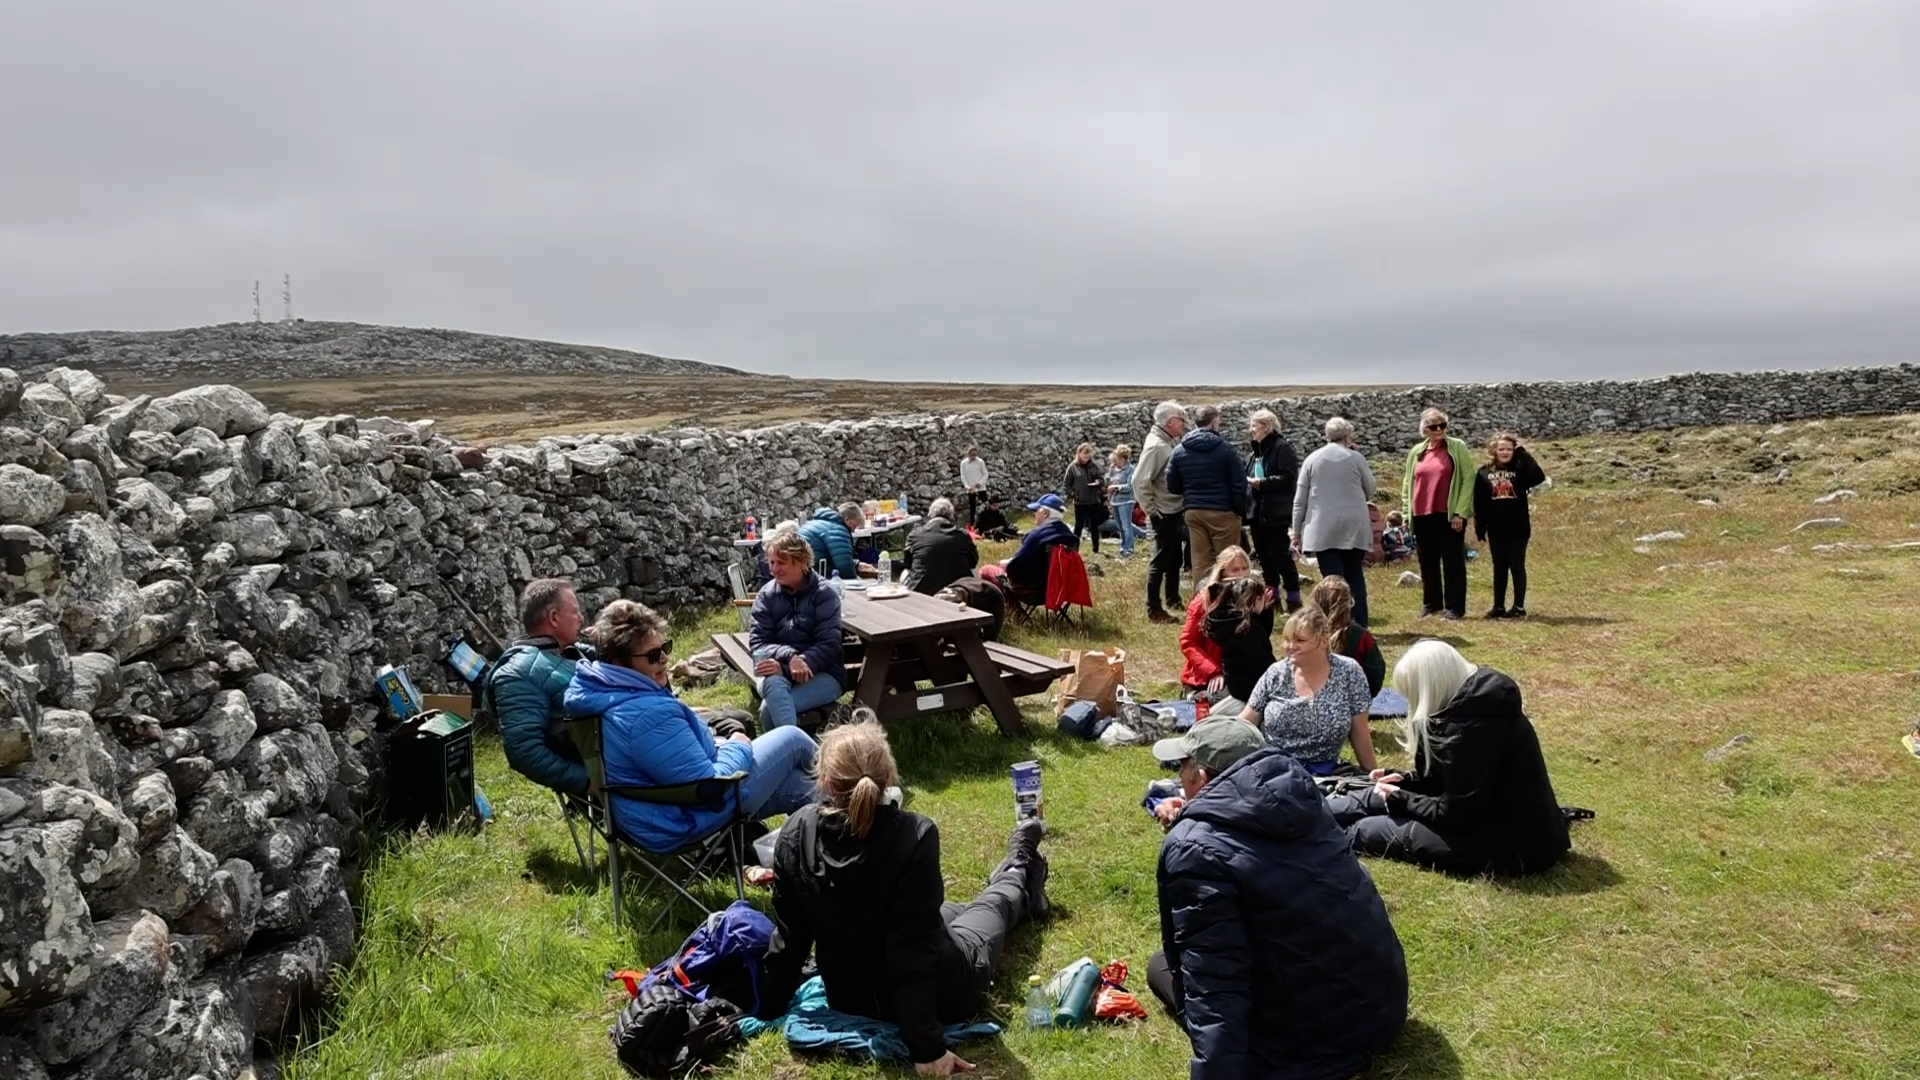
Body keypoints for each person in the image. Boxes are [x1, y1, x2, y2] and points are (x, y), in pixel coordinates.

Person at [758, 722, 1049, 1077]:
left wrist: (768, 1005)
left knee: (948, 912)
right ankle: (1018, 869)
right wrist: (927, 1048)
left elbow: (791, 937)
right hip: (943, 992)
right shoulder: (914, 834)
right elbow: (910, 954)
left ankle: (1013, 878)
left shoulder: (796, 832)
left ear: (828, 784)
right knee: (992, 907)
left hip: (851, 999)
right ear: (888, 777)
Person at [1148, 719, 1409, 1080]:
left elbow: (1216, 981)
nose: (1179, 777)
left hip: (1310, 1050)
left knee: (1161, 968)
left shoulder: (1195, 848)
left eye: (1183, 767)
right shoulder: (1302, 797)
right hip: (1381, 1010)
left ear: (1203, 778)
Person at [563, 600, 819, 851]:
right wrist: (738, 744)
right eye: (653, 655)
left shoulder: (604, 690)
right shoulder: (646, 715)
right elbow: (708, 786)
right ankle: (848, 809)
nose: (664, 659)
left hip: (651, 813)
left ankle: (836, 850)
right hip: (680, 820)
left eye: (665, 647)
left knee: (803, 786)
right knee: (792, 739)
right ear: (619, 662)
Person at [1327, 640, 1570, 875]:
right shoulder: (1475, 704)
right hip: (1500, 822)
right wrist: (1407, 782)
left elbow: (1458, 813)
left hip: (1510, 844)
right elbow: (1455, 784)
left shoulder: (1470, 728)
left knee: (1365, 830)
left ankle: (1312, 837)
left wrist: (1404, 799)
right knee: (1373, 796)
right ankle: (1309, 815)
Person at [1238, 608, 1378, 775]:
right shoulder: (1276, 673)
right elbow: (1245, 724)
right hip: (1274, 770)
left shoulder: (1349, 672)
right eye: (1287, 640)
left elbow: (1360, 731)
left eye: (1300, 640)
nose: (1290, 647)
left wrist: (1373, 776)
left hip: (1326, 772)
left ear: (1324, 641)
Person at [488, 578, 594, 796]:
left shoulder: (563, 650)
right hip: (620, 775)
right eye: (575, 612)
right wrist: (588, 784)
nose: (581, 619)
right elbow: (524, 751)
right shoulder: (518, 674)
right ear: (554, 618)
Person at [749, 528, 848, 730]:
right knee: (774, 685)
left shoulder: (824, 594)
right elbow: (758, 643)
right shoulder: (766, 596)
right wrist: (790, 657)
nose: (774, 569)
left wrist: (797, 663)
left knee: (769, 710)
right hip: (774, 673)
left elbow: (829, 645)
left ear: (802, 562)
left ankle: (791, 755)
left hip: (823, 674)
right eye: (771, 562)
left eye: (781, 562)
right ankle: (798, 753)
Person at [1291, 417, 1378, 628]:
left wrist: (1296, 532)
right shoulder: (1356, 458)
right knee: (1354, 574)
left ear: (1327, 436)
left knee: (1331, 579)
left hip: (1322, 528)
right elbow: (1371, 489)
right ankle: (1360, 625)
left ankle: (1335, 625)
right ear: (1348, 436)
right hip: (1354, 527)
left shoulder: (1312, 459)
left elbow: (1300, 500)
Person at [1402, 407, 1475, 620]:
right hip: (1422, 513)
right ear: (1424, 430)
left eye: (1443, 425)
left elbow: (1467, 478)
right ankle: (1431, 603)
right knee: (1427, 559)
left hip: (1448, 512)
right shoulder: (1416, 452)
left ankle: (1455, 607)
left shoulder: (1457, 447)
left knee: (1452, 559)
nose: (1439, 430)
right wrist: (1407, 513)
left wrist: (1461, 512)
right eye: (1434, 426)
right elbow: (1408, 482)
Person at [1167, 404, 1250, 579]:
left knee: (1200, 562)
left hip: (1194, 510)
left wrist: (1191, 492)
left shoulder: (1179, 451)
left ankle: (1202, 602)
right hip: (1223, 510)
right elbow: (1239, 482)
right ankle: (1229, 601)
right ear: (1213, 423)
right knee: (1228, 561)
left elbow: (1172, 485)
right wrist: (1238, 510)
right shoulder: (1225, 449)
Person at [1474, 432, 1547, 618]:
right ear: (1494, 451)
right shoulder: (1483, 473)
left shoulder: (1521, 471)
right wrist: (1480, 527)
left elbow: (1539, 476)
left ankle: (1519, 607)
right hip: (1495, 528)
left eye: (1509, 449)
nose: (1505, 452)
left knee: (1516, 565)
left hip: (1518, 528)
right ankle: (1498, 606)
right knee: (1499, 567)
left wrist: (1523, 452)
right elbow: (1479, 502)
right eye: (1501, 449)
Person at [1243, 408, 1303, 611]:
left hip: (1275, 513)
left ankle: (1293, 599)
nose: (1251, 430)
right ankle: (1272, 599)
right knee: (1263, 556)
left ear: (1266, 427)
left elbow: (1288, 478)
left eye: (1254, 426)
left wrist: (1263, 483)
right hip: (1256, 513)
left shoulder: (1281, 448)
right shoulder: (1255, 452)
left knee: (1281, 556)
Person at [1136, 400, 1189, 623]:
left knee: (1174, 557)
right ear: (1169, 422)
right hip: (1164, 511)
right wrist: (1151, 509)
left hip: (1171, 509)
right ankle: (1154, 609)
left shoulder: (1165, 441)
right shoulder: (1157, 446)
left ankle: (1173, 598)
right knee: (1160, 560)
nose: (1184, 425)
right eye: (1181, 420)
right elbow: (1139, 480)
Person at [1178, 547, 1252, 701]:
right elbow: (1188, 642)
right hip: (1206, 675)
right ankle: (1195, 698)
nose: (1241, 575)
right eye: (1235, 570)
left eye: (1245, 569)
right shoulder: (1204, 600)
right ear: (1222, 573)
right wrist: (1213, 671)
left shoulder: (1251, 597)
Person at [1203, 574, 1275, 715]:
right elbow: (1260, 663)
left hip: (1235, 685)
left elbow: (1263, 634)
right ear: (1257, 599)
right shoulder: (1248, 629)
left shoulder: (1230, 620)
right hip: (1249, 690)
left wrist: (1264, 611)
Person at [981, 493, 1076, 598]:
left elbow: (1014, 568)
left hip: (1032, 590)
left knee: (986, 570)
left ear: (1045, 513)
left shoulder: (1036, 536)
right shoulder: (1072, 538)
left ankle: (1011, 607)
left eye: (1036, 511)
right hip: (1059, 590)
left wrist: (1006, 564)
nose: (1034, 514)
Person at [1310, 576, 1385, 697]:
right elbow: (1376, 673)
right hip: (1356, 699)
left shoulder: (1306, 634)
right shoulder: (1362, 637)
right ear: (1349, 603)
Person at [903, 497, 979, 596]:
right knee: (975, 572)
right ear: (951, 517)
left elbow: (907, 563)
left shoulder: (914, 535)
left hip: (923, 592)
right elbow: (974, 561)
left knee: (905, 573)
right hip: (956, 591)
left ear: (930, 515)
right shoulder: (962, 535)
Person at [797, 503, 866, 581]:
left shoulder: (817, 522)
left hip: (800, 568)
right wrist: (856, 580)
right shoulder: (838, 529)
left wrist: (856, 564)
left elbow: (835, 555)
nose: (853, 530)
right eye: (853, 526)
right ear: (847, 519)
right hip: (815, 572)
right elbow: (844, 566)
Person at [1063, 442, 1108, 554]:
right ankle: (1074, 550)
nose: (1086, 456)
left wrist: (1098, 482)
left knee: (1094, 526)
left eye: (1088, 454)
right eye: (1084, 454)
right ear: (1079, 454)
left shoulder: (1094, 466)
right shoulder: (1073, 467)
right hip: (1080, 502)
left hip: (1094, 501)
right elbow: (1066, 485)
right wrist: (1075, 495)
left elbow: (1102, 480)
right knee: (1078, 527)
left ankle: (1096, 549)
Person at [1107, 444, 1138, 558]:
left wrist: (1118, 487)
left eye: (1119, 459)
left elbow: (1130, 486)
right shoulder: (1114, 470)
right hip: (1115, 501)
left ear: (1125, 459)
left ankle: (1129, 548)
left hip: (1126, 501)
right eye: (1116, 459)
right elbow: (1108, 482)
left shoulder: (1131, 470)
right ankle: (1123, 546)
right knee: (1119, 526)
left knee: (1126, 525)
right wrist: (1109, 474)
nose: (1117, 461)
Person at [959, 446, 990, 525]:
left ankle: (988, 522)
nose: (974, 457)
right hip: (971, 489)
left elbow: (985, 474)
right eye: (972, 455)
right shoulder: (963, 463)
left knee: (986, 505)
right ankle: (973, 524)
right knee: (972, 507)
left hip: (981, 488)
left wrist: (980, 483)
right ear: (968, 454)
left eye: (975, 455)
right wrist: (967, 487)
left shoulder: (980, 462)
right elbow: (963, 476)